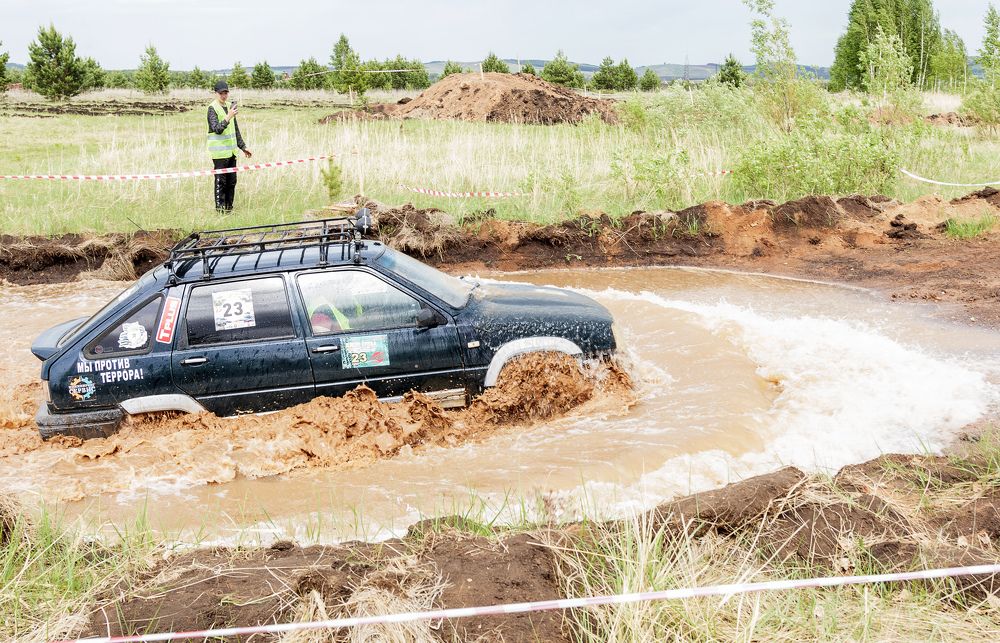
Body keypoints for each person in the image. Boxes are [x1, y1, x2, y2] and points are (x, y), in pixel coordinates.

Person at [207, 80, 252, 212]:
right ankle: (220, 210)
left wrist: (243, 147)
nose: (224, 95)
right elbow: (217, 129)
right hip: (219, 154)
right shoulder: (212, 108)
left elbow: (235, 129)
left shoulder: (230, 107)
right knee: (221, 182)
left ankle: (228, 209)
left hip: (232, 153)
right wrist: (228, 117)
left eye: (226, 93)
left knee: (231, 182)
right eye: (221, 93)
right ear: (216, 93)